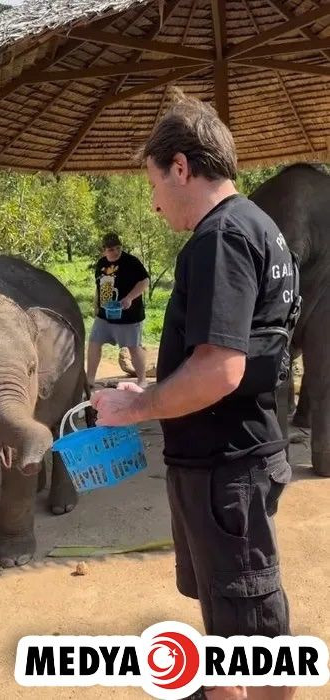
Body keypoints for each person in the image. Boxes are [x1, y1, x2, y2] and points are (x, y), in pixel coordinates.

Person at [90, 95, 298, 700]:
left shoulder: (221, 237)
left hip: (224, 469)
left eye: (154, 183)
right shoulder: (261, 227)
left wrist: (139, 406)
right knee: (236, 619)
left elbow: (219, 370)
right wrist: (155, 389)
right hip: (240, 456)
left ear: (180, 167)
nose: (153, 203)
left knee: (253, 631)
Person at [87, 232, 150, 388]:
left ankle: (142, 380)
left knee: (134, 348)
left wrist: (129, 297)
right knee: (94, 343)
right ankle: (89, 381)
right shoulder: (101, 264)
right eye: (110, 249)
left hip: (129, 316)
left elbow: (145, 281)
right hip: (104, 315)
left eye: (117, 248)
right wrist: (96, 305)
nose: (114, 252)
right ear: (103, 250)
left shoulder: (131, 262)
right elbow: (99, 287)